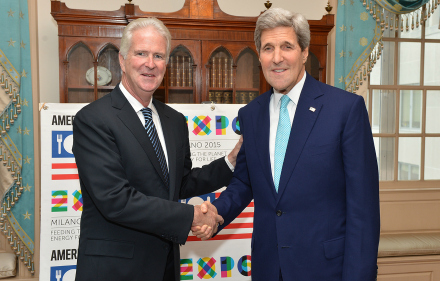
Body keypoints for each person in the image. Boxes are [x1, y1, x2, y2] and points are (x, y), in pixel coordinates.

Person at [193, 7, 380, 281]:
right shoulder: (251, 114)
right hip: (269, 268)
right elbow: (245, 182)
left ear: (304, 52)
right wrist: (216, 213)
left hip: (327, 270)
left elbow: (363, 208)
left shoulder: (345, 109)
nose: (277, 58)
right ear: (259, 56)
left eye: (287, 46)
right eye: (268, 48)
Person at [72, 17, 241, 281]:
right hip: (115, 271)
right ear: (122, 59)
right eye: (141, 53)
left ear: (166, 64)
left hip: (165, 266)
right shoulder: (93, 119)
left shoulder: (174, 121)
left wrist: (230, 161)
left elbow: (179, 184)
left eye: (159, 56)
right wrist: (191, 215)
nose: (150, 64)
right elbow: (115, 199)